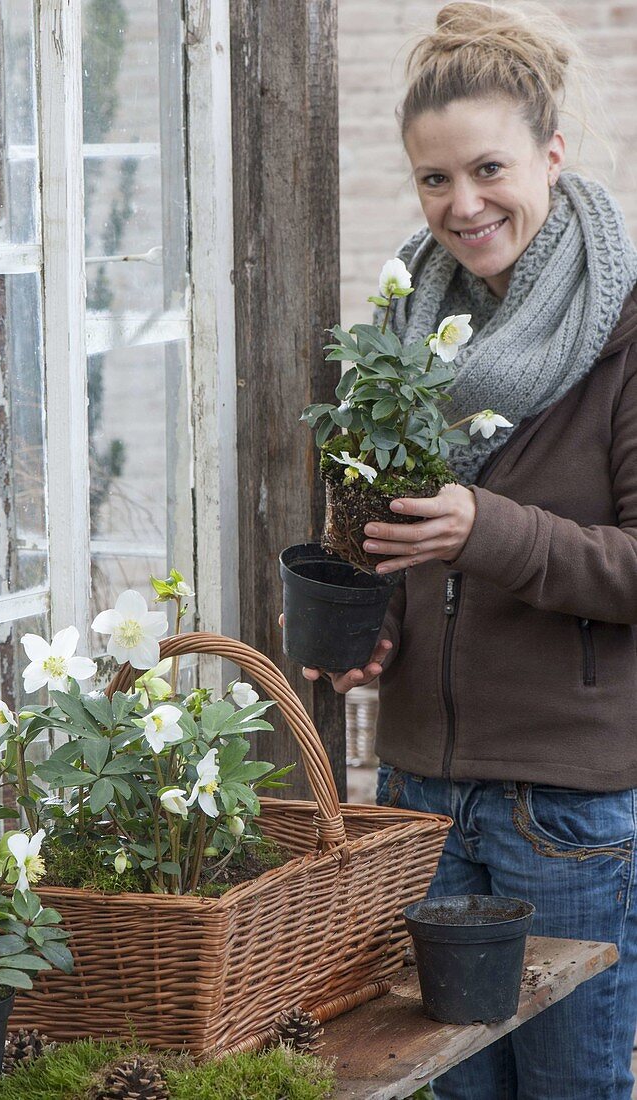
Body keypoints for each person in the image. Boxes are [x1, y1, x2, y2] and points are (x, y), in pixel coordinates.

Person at [303, 3, 637, 1097]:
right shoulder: (411, 328)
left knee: (567, 1087)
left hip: (568, 808)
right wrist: (375, 621)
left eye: (488, 167)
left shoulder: (624, 329)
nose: (463, 203)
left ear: (550, 152)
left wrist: (485, 530)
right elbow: (397, 531)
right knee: (439, 1086)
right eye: (433, 180)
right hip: (417, 795)